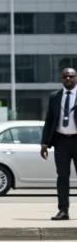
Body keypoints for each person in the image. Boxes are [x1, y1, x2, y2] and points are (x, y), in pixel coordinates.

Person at [40, 67, 76, 221]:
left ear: (76, 78)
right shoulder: (55, 96)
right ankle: (63, 210)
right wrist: (44, 143)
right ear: (61, 79)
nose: (68, 79)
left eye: (71, 76)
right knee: (62, 177)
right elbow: (49, 120)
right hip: (61, 141)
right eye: (65, 76)